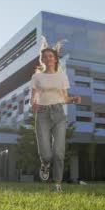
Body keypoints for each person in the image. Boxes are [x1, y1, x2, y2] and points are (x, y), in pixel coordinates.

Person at [30, 47, 81, 192]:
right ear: (42, 60)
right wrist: (33, 103)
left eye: (50, 56)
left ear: (55, 59)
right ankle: (45, 164)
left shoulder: (62, 76)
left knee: (59, 152)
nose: (48, 58)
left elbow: (64, 98)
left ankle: (57, 184)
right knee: (46, 153)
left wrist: (74, 99)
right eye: (45, 56)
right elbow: (32, 97)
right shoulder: (37, 77)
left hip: (58, 113)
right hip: (42, 113)